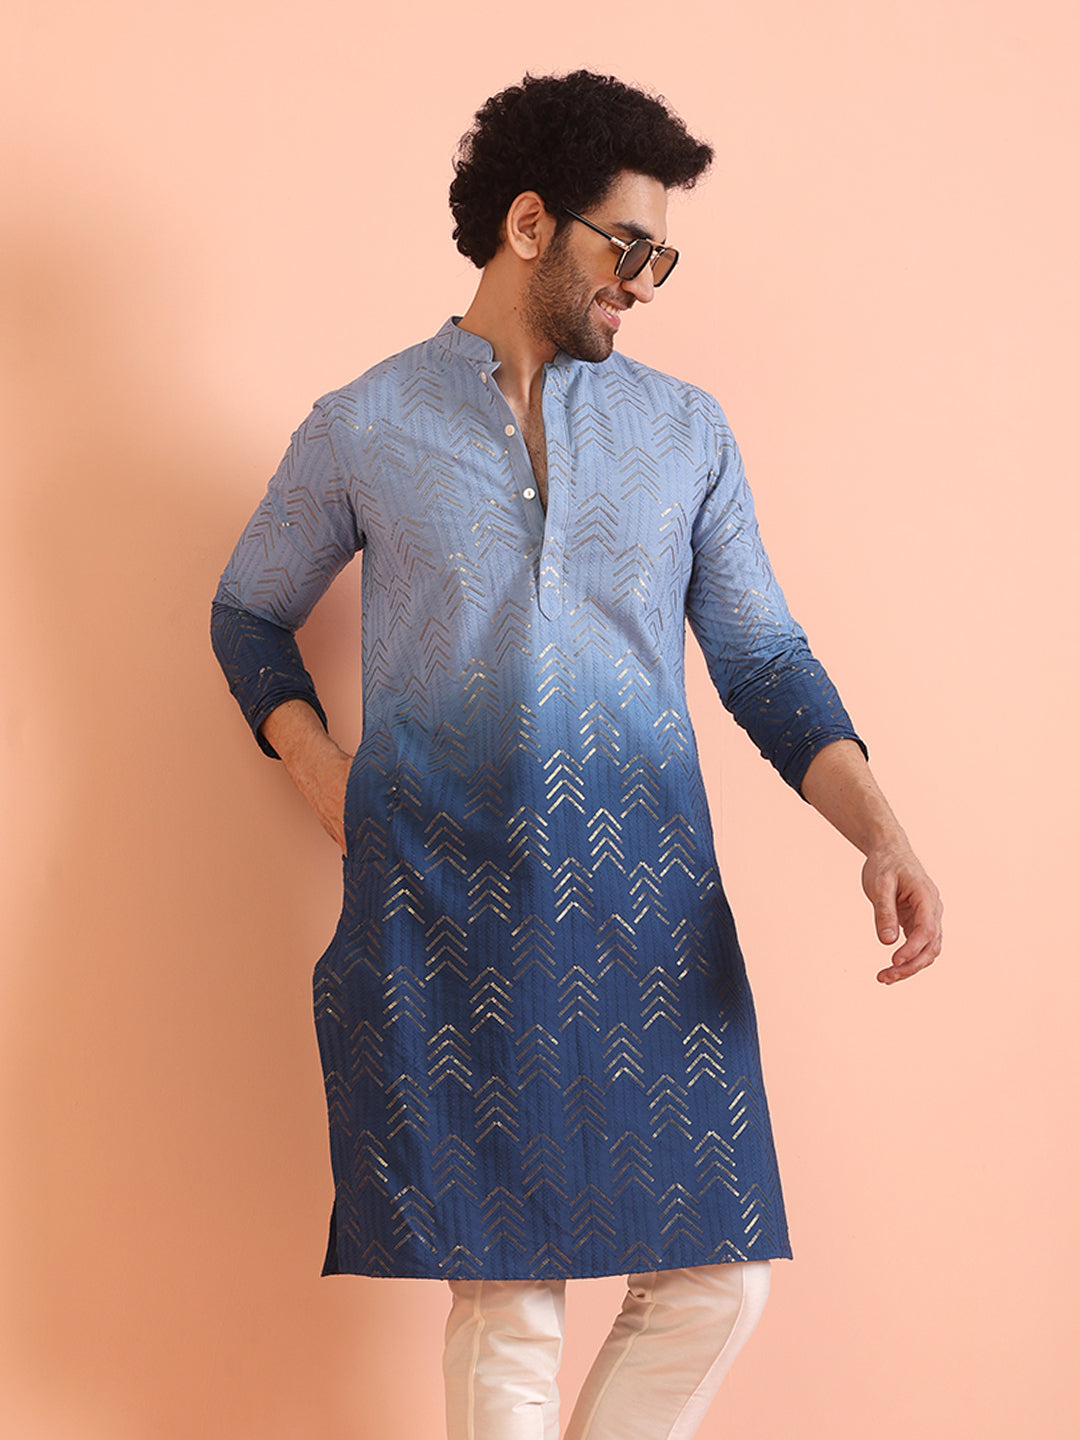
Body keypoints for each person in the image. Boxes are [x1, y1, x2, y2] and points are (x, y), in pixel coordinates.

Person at [211, 70, 942, 1440]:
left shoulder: (685, 432)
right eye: (630, 247)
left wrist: (882, 833)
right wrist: (324, 776)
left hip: (653, 920)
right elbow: (248, 608)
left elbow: (763, 660)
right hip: (447, 913)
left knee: (717, 1282)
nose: (646, 284)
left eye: (663, 258)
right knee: (511, 1308)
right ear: (531, 224)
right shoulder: (367, 423)